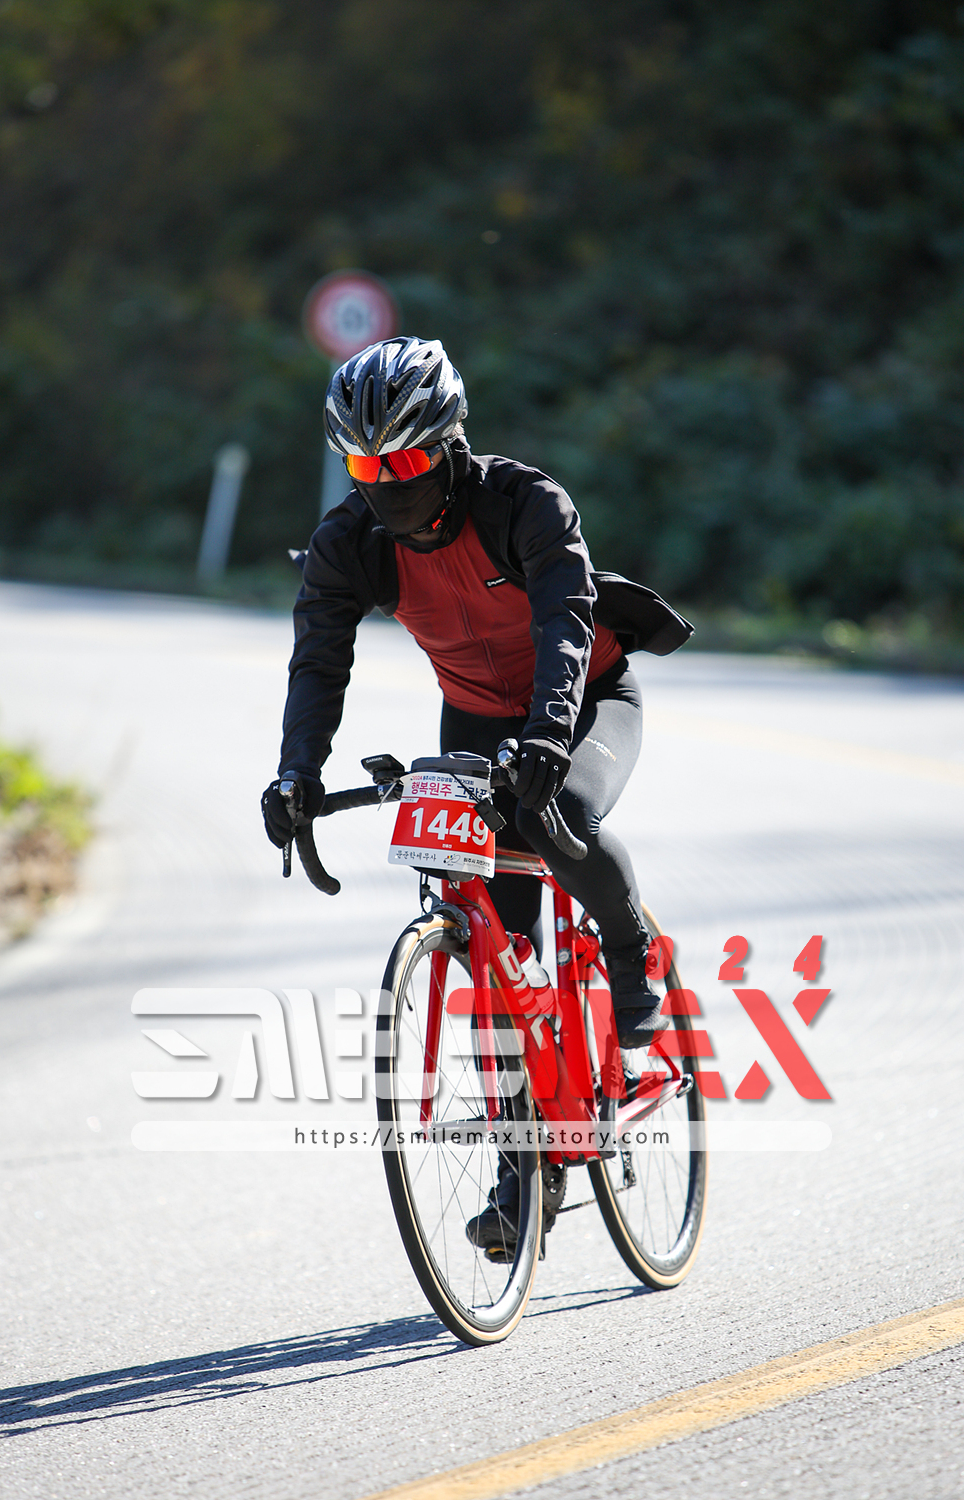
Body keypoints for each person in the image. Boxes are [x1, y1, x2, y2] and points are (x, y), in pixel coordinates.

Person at [260, 336, 692, 1248]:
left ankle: (632, 952)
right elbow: (318, 662)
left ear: (449, 445)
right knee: (498, 949)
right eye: (365, 467)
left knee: (560, 813)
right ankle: (525, 1170)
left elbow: (566, 626)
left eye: (405, 463)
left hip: (585, 699)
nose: (385, 485)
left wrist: (548, 737)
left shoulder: (526, 503)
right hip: (474, 717)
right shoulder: (350, 542)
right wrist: (297, 771)